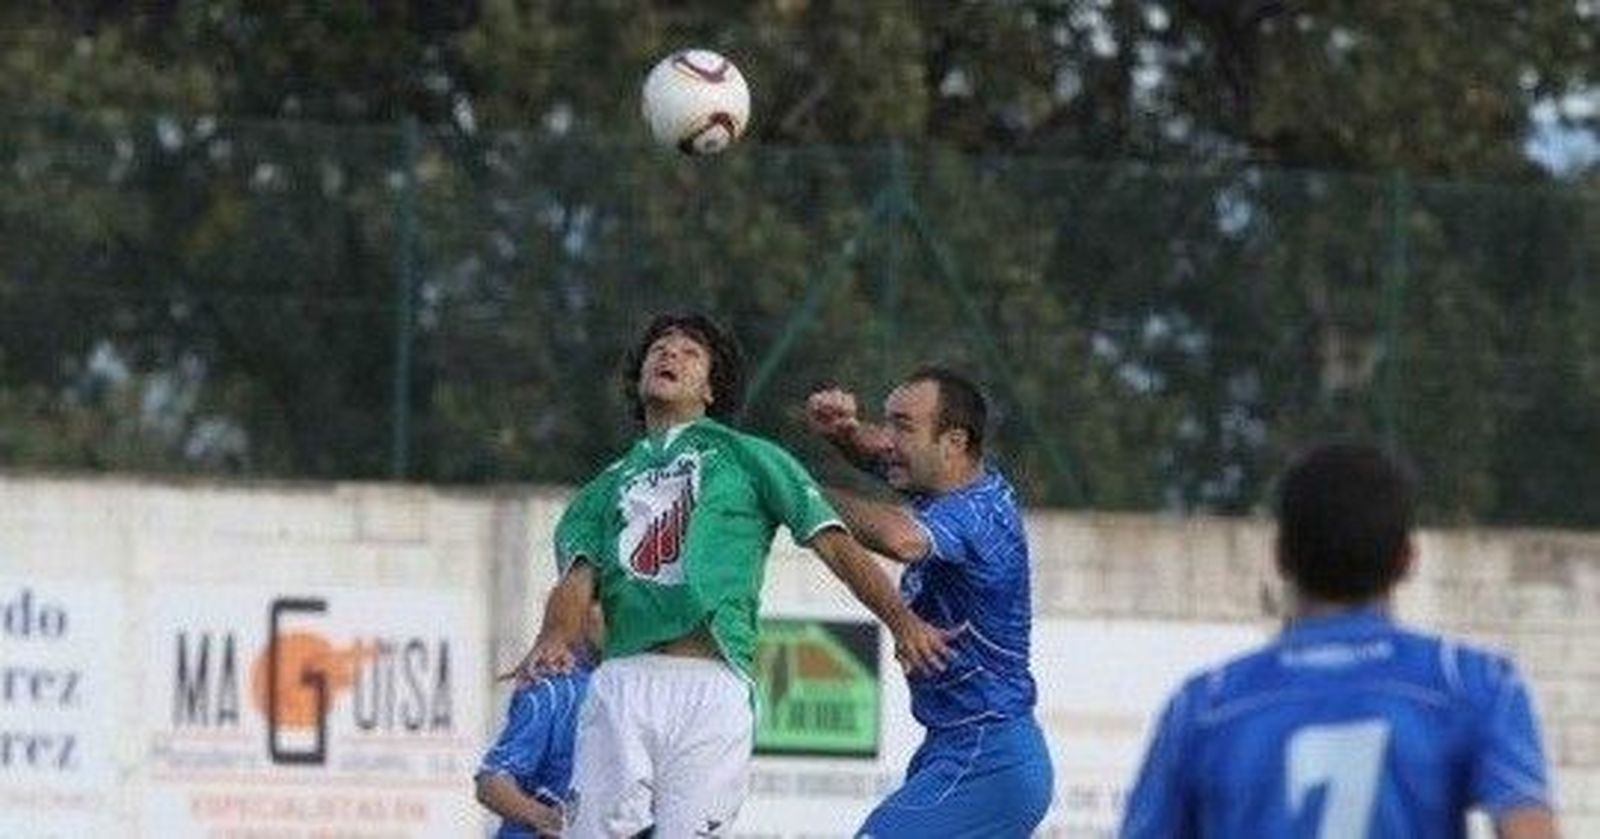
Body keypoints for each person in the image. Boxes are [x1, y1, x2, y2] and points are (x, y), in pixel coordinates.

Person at [506, 312, 954, 838]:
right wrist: (554, 636)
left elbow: (834, 545)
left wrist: (901, 622)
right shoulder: (600, 491)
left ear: (711, 390)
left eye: (689, 352)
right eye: (659, 349)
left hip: (713, 686)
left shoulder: (751, 458)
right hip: (624, 683)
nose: (669, 355)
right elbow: (577, 581)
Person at [1120, 441, 1558, 839]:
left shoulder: (1204, 707)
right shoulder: (1471, 682)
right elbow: (1529, 830)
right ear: (1408, 560)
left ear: (1280, 555)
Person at [803, 367, 1054, 838]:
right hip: (963, 749)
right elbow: (880, 455)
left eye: (903, 426)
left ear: (954, 442)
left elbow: (899, 540)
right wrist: (846, 433)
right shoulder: (949, 479)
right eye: (887, 422)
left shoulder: (976, 514)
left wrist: (792, 490)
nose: (888, 439)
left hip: (988, 757)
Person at [476, 606, 604, 838]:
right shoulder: (553, 689)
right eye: (606, 603)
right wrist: (549, 820)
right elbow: (491, 782)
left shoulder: (642, 691)